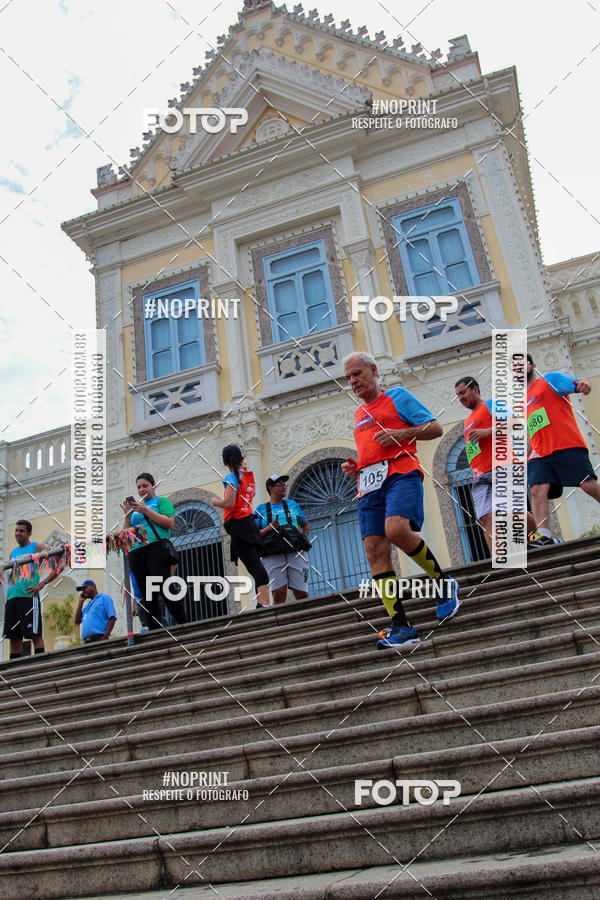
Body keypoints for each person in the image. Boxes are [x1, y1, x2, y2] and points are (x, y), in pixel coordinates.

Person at [341, 352, 459, 649]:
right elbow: (372, 453)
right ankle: (401, 624)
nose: (353, 381)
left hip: (401, 473)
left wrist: (402, 433)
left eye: (357, 374)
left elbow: (434, 428)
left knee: (396, 530)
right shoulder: (358, 415)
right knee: (374, 550)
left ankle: (443, 583)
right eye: (348, 378)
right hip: (368, 484)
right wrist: (356, 466)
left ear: (373, 370)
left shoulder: (397, 397)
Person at [455, 376, 536, 552]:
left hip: (504, 467)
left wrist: (488, 431)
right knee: (486, 518)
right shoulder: (468, 422)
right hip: (480, 476)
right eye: (457, 395)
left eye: (463, 392)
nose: (460, 398)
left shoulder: (491, 404)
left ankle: (539, 536)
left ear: (475, 389)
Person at [526, 354, 600, 544]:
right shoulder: (522, 401)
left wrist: (585, 385)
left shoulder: (550, 380)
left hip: (566, 444)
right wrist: (525, 457)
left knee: (587, 484)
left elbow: (579, 382)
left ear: (532, 365)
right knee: (537, 489)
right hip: (539, 453)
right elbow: (531, 429)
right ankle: (545, 536)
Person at [121, 473, 186, 630]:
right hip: (136, 550)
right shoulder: (136, 510)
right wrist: (127, 516)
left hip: (155, 546)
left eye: (145, 486)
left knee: (165, 586)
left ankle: (183, 623)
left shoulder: (160, 502)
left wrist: (146, 511)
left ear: (153, 485)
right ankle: (155, 628)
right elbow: (125, 534)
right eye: (139, 487)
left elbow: (169, 523)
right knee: (146, 592)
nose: (142, 490)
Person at [212, 445, 270, 609]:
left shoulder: (231, 478)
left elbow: (229, 503)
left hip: (239, 526)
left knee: (256, 568)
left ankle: (263, 604)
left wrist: (216, 501)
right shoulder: (249, 477)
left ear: (225, 463)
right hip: (248, 524)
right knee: (256, 566)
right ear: (242, 460)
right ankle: (263, 602)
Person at [3, 520, 58, 659]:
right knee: (14, 638)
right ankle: (14, 674)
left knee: (34, 634)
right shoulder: (13, 553)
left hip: (28, 596)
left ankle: (41, 667)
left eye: (21, 531)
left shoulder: (37, 547)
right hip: (11, 598)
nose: (18, 533)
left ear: (29, 533)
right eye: (16, 530)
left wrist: (42, 583)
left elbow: (57, 565)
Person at [255, 474, 310, 605]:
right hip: (272, 555)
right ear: (270, 488)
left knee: (301, 592)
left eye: (284, 485)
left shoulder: (292, 505)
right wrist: (269, 528)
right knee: (279, 594)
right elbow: (255, 535)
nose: (283, 487)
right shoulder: (260, 510)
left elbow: (305, 525)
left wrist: (303, 541)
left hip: (295, 553)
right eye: (279, 485)